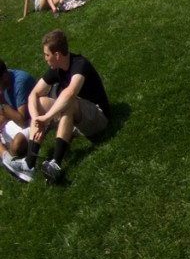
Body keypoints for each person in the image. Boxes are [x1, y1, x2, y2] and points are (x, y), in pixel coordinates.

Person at [2, 29, 110, 184]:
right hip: (76, 121)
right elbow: (33, 94)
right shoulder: (56, 69)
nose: (45, 59)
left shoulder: (80, 65)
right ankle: (29, 164)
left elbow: (70, 93)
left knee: (68, 100)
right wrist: (37, 118)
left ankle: (56, 164)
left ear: (57, 55)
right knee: (41, 102)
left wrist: (47, 118)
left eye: (47, 55)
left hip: (98, 119)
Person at [0, 59, 35, 158]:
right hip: (15, 121)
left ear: (4, 75)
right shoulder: (4, 85)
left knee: (16, 145)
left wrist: (2, 101)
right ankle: (7, 155)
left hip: (32, 120)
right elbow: (3, 114)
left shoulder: (20, 82)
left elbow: (22, 122)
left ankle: (7, 156)